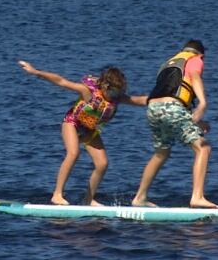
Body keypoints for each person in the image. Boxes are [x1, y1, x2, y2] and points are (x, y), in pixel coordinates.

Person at [18, 60, 147, 206]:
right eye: (113, 91)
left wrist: (164, 99)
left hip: (89, 131)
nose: (115, 95)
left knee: (102, 164)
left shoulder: (116, 98)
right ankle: (57, 194)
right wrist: (36, 72)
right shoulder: (88, 92)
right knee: (73, 153)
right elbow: (61, 81)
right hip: (72, 123)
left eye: (118, 92)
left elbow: (140, 100)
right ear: (105, 85)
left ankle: (89, 199)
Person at [131, 40, 218, 209]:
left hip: (153, 109)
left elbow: (166, 99)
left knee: (161, 152)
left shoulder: (167, 65)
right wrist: (203, 103)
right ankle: (197, 197)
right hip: (172, 108)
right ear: (201, 55)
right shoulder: (195, 59)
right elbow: (193, 77)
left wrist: (198, 122)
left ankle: (140, 197)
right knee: (203, 148)